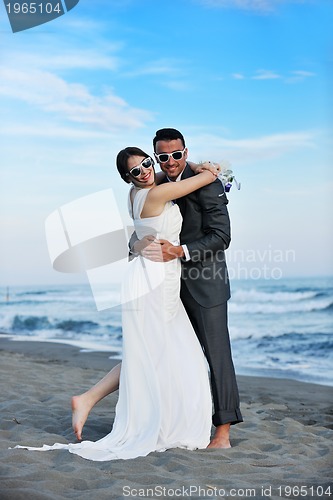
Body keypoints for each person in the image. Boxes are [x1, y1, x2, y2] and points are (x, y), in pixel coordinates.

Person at [15, 147, 217, 461]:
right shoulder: (154, 195)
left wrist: (136, 243)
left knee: (150, 352)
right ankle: (90, 399)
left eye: (147, 164)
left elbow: (154, 200)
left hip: (147, 276)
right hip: (155, 280)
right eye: (136, 171)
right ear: (127, 178)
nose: (146, 171)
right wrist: (209, 167)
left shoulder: (137, 195)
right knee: (159, 352)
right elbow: (199, 180)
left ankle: (88, 399)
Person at [72, 128, 243, 449]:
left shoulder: (204, 181)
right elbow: (138, 230)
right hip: (165, 284)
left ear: (185, 151)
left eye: (176, 155)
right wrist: (137, 243)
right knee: (159, 352)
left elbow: (222, 236)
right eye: (163, 157)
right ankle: (159, 416)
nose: (170, 162)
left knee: (215, 356)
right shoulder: (156, 184)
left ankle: (222, 434)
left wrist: (179, 251)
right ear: (156, 156)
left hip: (204, 283)